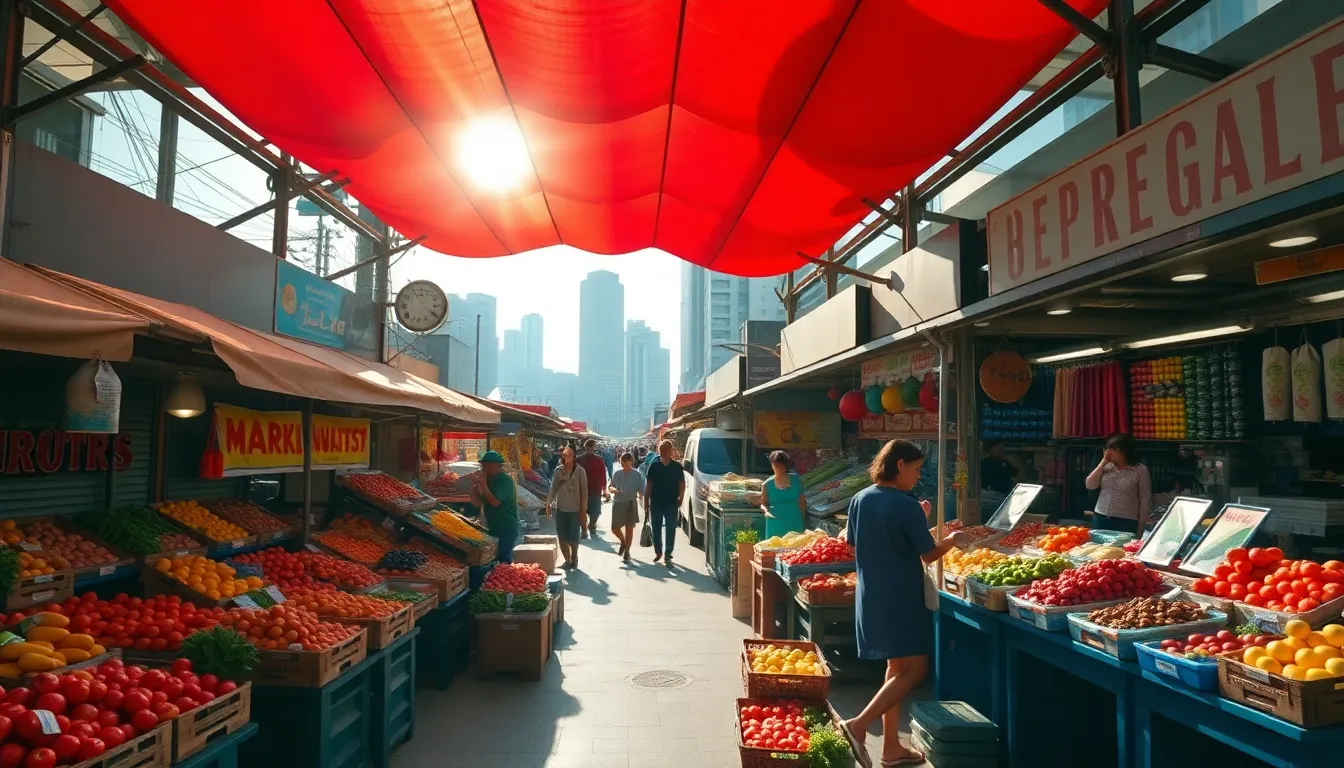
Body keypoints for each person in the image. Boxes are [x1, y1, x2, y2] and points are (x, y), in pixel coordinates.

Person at [840, 439, 967, 766]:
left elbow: (853, 546)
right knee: (915, 670)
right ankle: (857, 725)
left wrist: (916, 519)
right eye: (916, 468)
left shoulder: (860, 499)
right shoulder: (906, 505)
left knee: (895, 669)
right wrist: (952, 539)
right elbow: (928, 553)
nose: (917, 475)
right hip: (901, 597)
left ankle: (891, 748)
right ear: (900, 465)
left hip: (870, 596)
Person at [1085, 432, 1152, 535]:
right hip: (1101, 517)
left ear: (1124, 452)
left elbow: (1144, 501)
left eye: (1112, 449)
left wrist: (1140, 528)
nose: (1108, 452)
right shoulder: (1106, 467)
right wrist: (1102, 463)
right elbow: (1090, 485)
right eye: (1107, 449)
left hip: (1126, 522)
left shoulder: (1140, 470)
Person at [468, 451, 519, 563]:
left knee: (503, 559)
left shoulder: (504, 480)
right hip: (492, 526)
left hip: (506, 526)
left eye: (487, 465)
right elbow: (477, 503)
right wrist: (475, 485)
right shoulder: (488, 479)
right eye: (483, 465)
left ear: (497, 465)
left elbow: (495, 502)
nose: (484, 467)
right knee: (493, 559)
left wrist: (484, 485)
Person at [545, 445, 589, 570]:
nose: (565, 457)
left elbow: (584, 492)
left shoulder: (580, 471)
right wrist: (548, 503)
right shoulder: (558, 470)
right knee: (562, 536)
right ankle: (567, 560)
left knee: (574, 537)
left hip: (575, 509)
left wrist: (583, 511)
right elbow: (553, 488)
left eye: (568, 455)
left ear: (574, 456)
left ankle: (574, 558)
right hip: (560, 508)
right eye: (564, 455)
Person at [644, 439, 685, 567]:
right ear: (659, 450)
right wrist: (646, 502)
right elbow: (649, 485)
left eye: (666, 449)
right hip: (656, 502)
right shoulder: (654, 466)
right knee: (656, 528)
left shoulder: (677, 466)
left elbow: (682, 484)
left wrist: (681, 498)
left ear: (670, 450)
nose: (663, 452)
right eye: (661, 449)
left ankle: (668, 553)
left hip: (671, 502)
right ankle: (658, 552)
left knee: (670, 528)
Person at [761, 450, 806, 539]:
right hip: (775, 522)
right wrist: (766, 512)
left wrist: (803, 519)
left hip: (794, 520)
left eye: (782, 466)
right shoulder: (767, 484)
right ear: (772, 465)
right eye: (776, 466)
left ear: (786, 466)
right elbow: (763, 504)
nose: (779, 468)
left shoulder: (796, 481)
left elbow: (802, 503)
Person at [609, 452, 644, 563]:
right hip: (618, 502)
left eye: (626, 461)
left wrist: (642, 498)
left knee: (629, 528)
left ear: (631, 461)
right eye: (622, 461)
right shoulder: (617, 474)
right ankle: (623, 541)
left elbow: (641, 490)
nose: (623, 463)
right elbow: (610, 486)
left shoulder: (637, 474)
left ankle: (627, 551)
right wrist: (614, 490)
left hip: (630, 502)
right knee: (615, 528)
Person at [575, 439, 609, 538]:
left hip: (594, 489)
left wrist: (604, 489)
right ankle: (584, 529)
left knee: (594, 511)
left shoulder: (598, 460)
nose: (590, 448)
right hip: (583, 489)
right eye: (588, 446)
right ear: (585, 447)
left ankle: (591, 526)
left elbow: (602, 474)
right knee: (583, 511)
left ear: (594, 448)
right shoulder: (579, 459)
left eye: (591, 446)